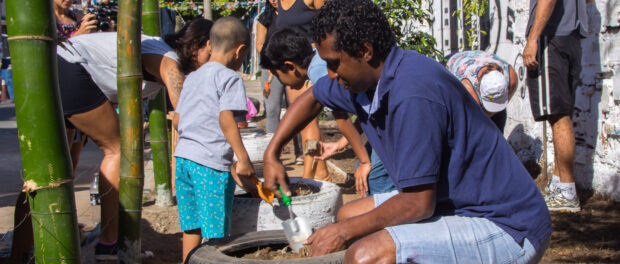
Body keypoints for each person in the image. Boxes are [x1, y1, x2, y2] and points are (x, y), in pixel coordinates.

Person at [262, 0, 551, 262]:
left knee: (365, 255)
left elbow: (417, 203)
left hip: (507, 225)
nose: (331, 75)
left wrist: (342, 233)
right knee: (349, 213)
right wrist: (272, 153)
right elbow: (312, 98)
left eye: (335, 64)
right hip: (453, 202)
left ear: (365, 50)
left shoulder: (413, 92)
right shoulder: (365, 80)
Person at [53, 19, 214, 260]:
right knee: (118, 150)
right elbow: (186, 112)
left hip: (62, 66)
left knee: (56, 171)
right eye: (216, 54)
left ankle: (21, 252)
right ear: (201, 46)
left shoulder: (161, 52)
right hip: (71, 67)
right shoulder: (167, 59)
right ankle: (109, 244)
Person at [172, 17, 256, 262]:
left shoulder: (193, 77)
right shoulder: (230, 78)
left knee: (192, 226)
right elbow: (226, 119)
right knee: (217, 234)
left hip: (184, 161)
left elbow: (177, 120)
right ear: (240, 51)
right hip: (209, 167)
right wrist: (243, 159)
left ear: (209, 44)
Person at [261, 27, 373, 196]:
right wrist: (340, 144)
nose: (284, 84)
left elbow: (342, 119)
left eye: (278, 76)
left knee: (372, 180)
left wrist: (364, 161)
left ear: (290, 66)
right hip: (379, 115)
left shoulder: (318, 72)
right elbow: (366, 110)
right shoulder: (317, 56)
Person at [523, 0, 587, 212]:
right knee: (562, 114)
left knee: (557, 115)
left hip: (551, 36)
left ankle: (567, 192)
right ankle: (560, 186)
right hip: (572, 37)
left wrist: (533, 38)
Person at [275, 0, 329, 180]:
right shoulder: (280, 3)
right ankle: (321, 171)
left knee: (309, 122)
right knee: (302, 123)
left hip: (312, 62)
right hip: (293, 68)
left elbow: (330, 22)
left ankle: (308, 173)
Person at [445, 50, 518, 132]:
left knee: (497, 125)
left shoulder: (511, 79)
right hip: (453, 62)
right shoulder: (468, 89)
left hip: (479, 58)